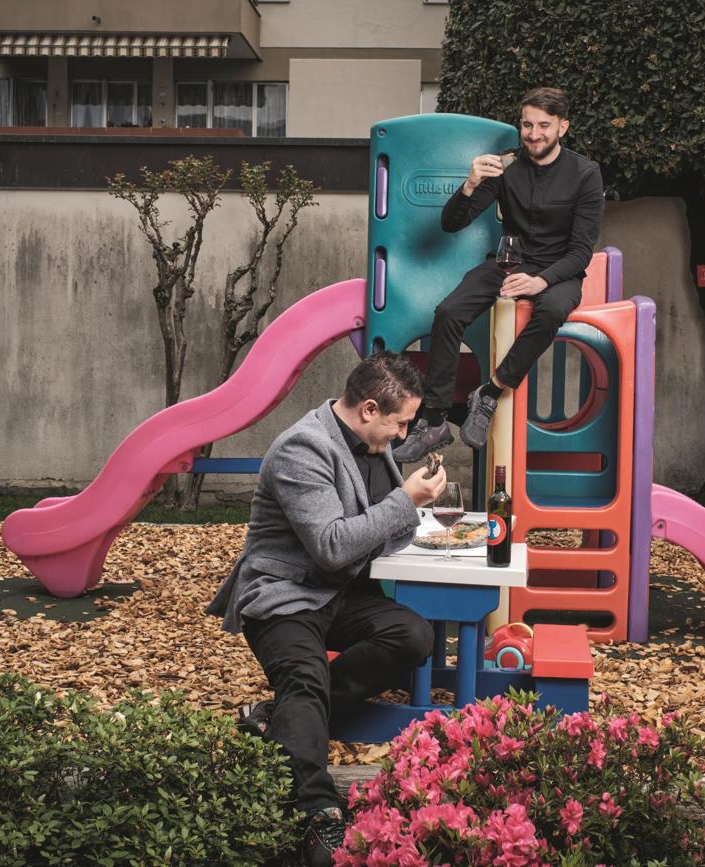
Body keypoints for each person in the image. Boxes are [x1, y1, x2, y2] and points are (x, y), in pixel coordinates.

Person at [208, 351, 446, 867]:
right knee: (305, 679)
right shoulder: (303, 448)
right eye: (399, 423)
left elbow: (391, 530)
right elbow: (334, 545)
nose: (403, 437)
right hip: (284, 593)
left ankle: (277, 720)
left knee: (413, 637)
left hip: (338, 593)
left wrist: (408, 507)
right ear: (367, 409)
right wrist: (405, 501)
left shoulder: (369, 443)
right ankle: (320, 815)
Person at [393, 86, 605, 461]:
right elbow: (451, 223)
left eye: (544, 125)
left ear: (563, 127)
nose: (534, 134)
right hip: (509, 260)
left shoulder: (585, 174)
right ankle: (436, 419)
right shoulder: (505, 165)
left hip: (558, 271)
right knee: (448, 312)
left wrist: (541, 280)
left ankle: (490, 392)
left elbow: (580, 251)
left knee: (553, 310)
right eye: (527, 125)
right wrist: (470, 184)